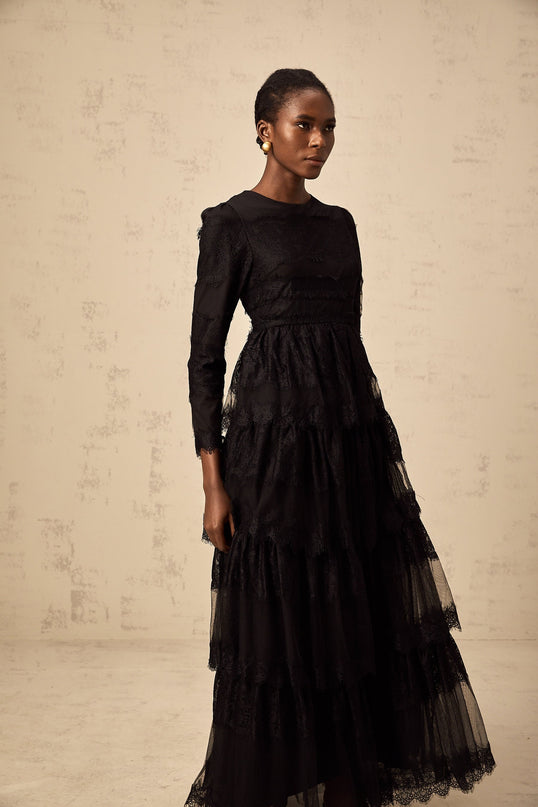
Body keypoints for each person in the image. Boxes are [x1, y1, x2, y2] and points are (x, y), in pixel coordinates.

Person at [185, 68, 496, 807]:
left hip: (348, 441)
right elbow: (205, 355)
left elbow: (342, 341)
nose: (320, 141)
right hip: (270, 449)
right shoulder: (230, 223)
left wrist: (360, 446)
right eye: (304, 125)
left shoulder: (340, 224)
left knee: (355, 612)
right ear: (265, 127)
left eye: (330, 128)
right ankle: (279, 780)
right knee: (282, 620)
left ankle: (348, 779)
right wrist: (213, 480)